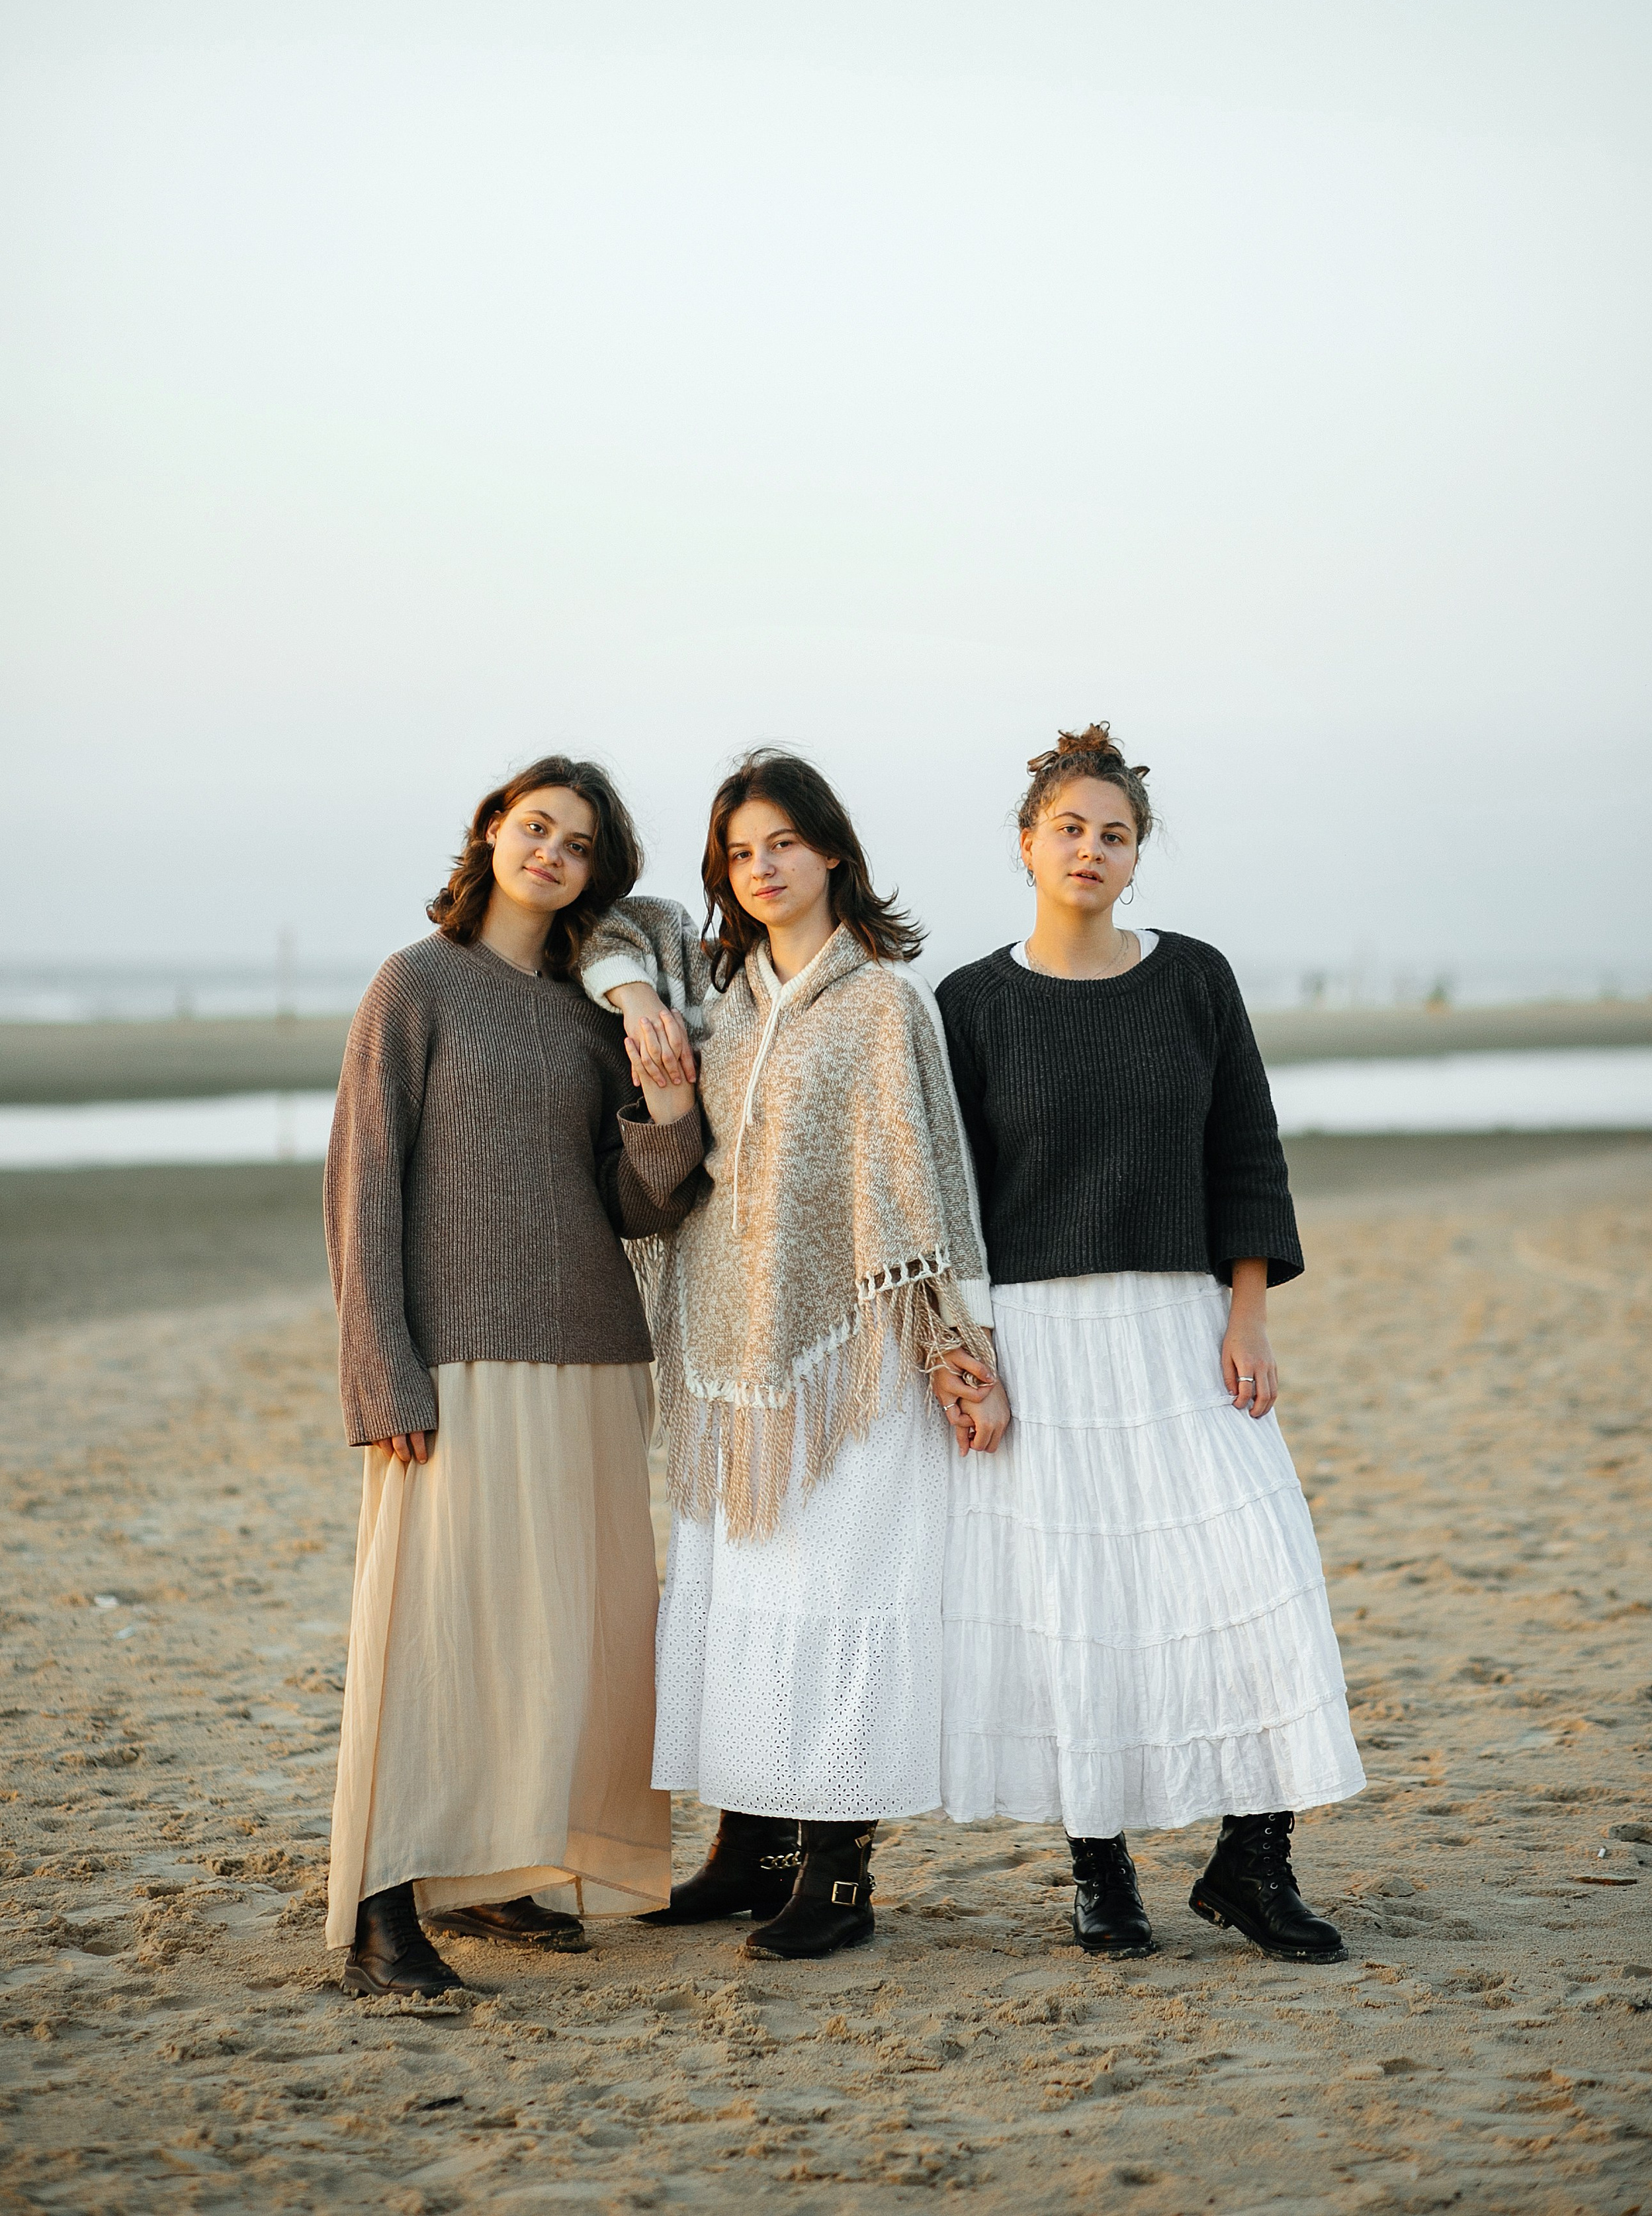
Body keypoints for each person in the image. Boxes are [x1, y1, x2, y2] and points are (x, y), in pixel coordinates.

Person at [934, 725, 1364, 1963]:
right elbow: (949, 1197)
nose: (1091, 848)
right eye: (1069, 828)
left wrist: (1248, 1312)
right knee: (1078, 1609)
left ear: (1137, 857)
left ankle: (1253, 1862)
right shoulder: (969, 1004)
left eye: (1114, 834)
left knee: (1255, 1574)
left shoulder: (1194, 979)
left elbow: (1247, 1150)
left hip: (1183, 1323)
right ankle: (1100, 1870)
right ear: (1027, 844)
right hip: (1039, 1339)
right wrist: (966, 1354)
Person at [580, 751, 1004, 1960]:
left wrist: (958, 1347)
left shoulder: (884, 1004)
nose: (761, 868)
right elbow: (609, 926)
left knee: (838, 1602)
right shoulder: (713, 992)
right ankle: (749, 1850)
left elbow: (928, 1177)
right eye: (739, 852)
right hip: (726, 1353)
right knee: (741, 1602)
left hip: (852, 1359)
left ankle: (837, 1877)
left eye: (782, 844)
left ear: (832, 852)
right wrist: (637, 1003)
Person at [322, 756, 705, 1998]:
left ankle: (500, 1871)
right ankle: (383, 1914)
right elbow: (365, 1183)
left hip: (590, 1350)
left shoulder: (595, 1014)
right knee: (431, 1630)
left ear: (597, 874)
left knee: (562, 1639)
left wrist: (667, 1108)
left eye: (578, 844)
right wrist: (380, 1372)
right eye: (536, 827)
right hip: (455, 1358)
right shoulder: (417, 983)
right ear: (492, 831)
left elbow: (636, 1206)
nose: (551, 853)